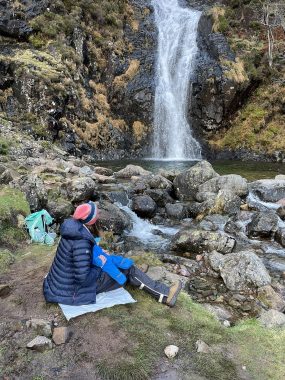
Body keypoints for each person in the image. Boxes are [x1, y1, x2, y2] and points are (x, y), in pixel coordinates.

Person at [43, 201, 182, 307]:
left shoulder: (72, 228)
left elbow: (76, 257)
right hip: (72, 291)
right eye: (97, 213)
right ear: (90, 220)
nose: (99, 215)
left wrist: (95, 254)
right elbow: (83, 278)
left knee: (117, 264)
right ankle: (165, 295)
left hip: (59, 285)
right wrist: (100, 265)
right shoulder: (82, 242)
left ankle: (146, 282)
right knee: (127, 269)